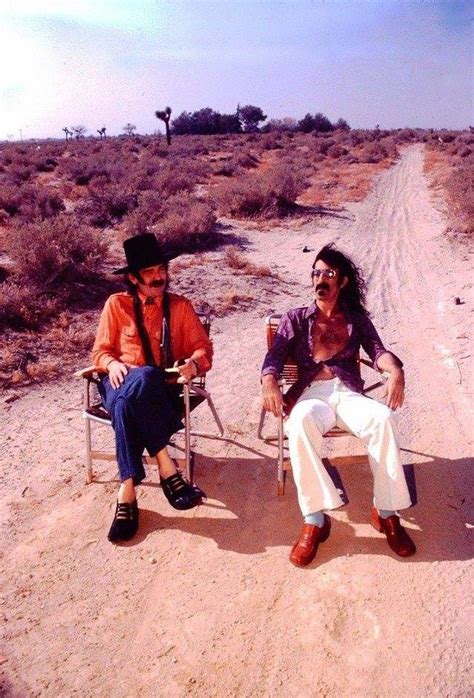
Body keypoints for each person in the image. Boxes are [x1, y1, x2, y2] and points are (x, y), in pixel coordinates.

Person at [261, 243, 416, 567]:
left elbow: (378, 352)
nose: (320, 278)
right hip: (311, 394)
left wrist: (395, 370)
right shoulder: (295, 318)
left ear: (342, 281)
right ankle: (315, 519)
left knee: (383, 419)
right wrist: (269, 381)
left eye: (328, 273)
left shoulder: (355, 319)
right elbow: (273, 357)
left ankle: (386, 512)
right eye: (316, 272)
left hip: (347, 393)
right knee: (299, 423)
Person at [92, 233, 213, 543]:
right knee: (133, 385)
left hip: (159, 390)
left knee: (136, 391)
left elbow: (203, 349)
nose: (159, 276)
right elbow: (100, 352)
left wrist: (194, 366)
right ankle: (166, 466)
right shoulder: (116, 305)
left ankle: (127, 493)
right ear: (133, 277)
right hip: (117, 381)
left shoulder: (180, 307)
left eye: (161, 269)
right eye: (150, 272)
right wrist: (113, 363)